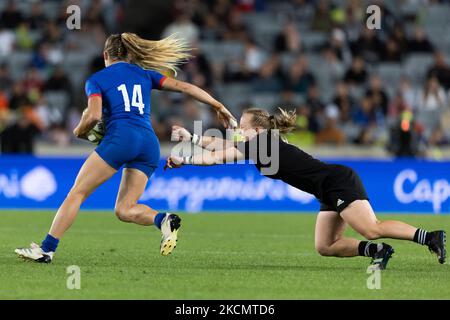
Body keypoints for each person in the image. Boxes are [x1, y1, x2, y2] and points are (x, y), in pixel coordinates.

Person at [15, 33, 236, 263]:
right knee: (124, 209)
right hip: (149, 143)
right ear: (129, 54)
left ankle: (46, 249)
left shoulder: (97, 79)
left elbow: (94, 115)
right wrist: (218, 105)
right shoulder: (144, 74)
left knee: (77, 193)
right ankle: (163, 219)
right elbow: (184, 87)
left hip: (122, 137)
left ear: (105, 55)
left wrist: (79, 131)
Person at [166, 108, 446, 269]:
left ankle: (430, 237)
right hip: (326, 189)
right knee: (325, 246)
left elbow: (218, 156)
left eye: (242, 126)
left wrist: (185, 159)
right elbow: (222, 145)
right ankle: (378, 252)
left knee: (371, 227)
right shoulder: (263, 143)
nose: (238, 130)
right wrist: (190, 137)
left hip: (337, 182)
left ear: (257, 130)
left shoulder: (263, 144)